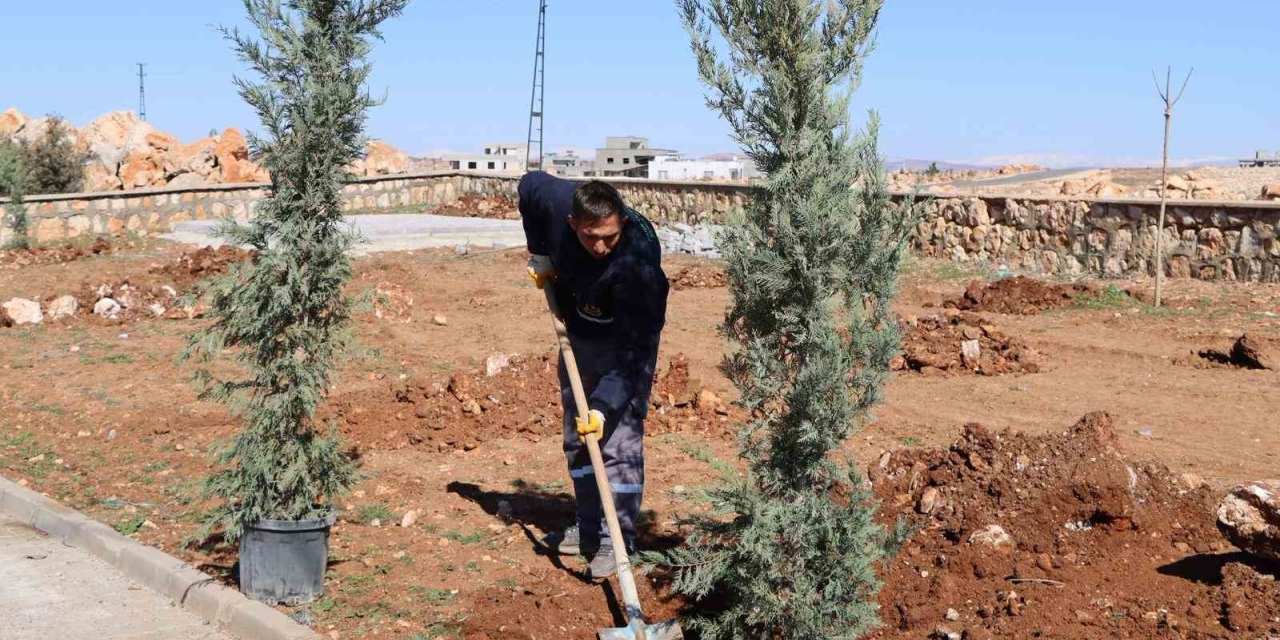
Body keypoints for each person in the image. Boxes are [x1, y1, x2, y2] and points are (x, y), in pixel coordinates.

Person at [519, 171, 669, 581]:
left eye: (609, 236)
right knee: (577, 438)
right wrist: (540, 253)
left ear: (620, 220)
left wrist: (604, 408)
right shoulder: (554, 203)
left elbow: (635, 355)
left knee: (616, 441)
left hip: (626, 340)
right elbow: (529, 185)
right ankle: (588, 529)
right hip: (578, 332)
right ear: (572, 223)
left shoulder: (640, 266)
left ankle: (615, 540)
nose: (600, 247)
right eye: (590, 237)